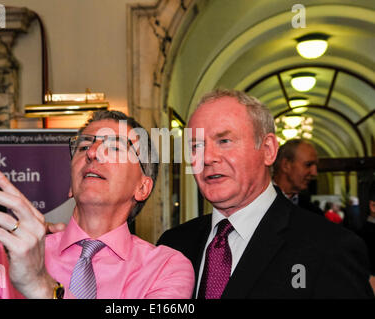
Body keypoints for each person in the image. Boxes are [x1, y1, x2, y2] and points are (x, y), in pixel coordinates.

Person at [0, 110, 194, 299]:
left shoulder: (166, 269)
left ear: (142, 187)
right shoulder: (0, 255)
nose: (91, 153)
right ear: (70, 185)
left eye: (113, 147)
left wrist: (41, 287)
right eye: (83, 146)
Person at [157, 89, 374, 299]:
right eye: (196, 146)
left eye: (224, 141)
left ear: (268, 149)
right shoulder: (173, 246)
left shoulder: (330, 248)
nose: (207, 158)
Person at [272, 139, 323, 216]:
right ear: (286, 165)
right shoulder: (254, 203)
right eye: (308, 165)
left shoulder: (314, 213)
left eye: (315, 166)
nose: (314, 173)